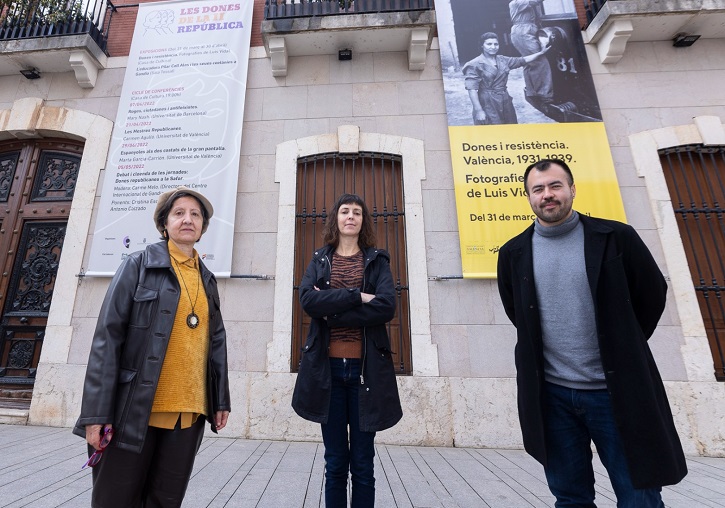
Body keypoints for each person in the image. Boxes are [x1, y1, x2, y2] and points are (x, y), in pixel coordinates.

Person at [497, 159, 687, 506]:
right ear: (528, 197)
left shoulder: (615, 237)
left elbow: (651, 293)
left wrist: (622, 343)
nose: (547, 195)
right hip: (552, 396)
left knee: (638, 494)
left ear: (572, 189)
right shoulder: (513, 252)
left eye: (555, 186)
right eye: (538, 189)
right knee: (570, 496)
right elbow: (518, 313)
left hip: (615, 393)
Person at [73, 186, 231, 508]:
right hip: (132, 411)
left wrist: (220, 399)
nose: (188, 219)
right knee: (115, 501)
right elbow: (107, 339)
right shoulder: (137, 265)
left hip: (187, 417)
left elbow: (215, 342)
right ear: (164, 224)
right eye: (179, 213)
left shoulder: (208, 280)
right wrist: (96, 414)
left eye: (195, 214)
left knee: (164, 502)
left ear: (202, 227)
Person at [292, 193, 403, 508]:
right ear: (336, 219)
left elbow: (385, 307)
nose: (351, 216)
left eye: (357, 212)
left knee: (364, 465)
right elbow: (307, 301)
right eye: (345, 211)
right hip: (329, 372)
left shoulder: (377, 260)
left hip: (365, 373)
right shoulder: (320, 259)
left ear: (363, 220)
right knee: (336, 461)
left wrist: (332, 306)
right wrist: (358, 296)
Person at [463, 32, 550, 125]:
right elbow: (472, 89)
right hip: (487, 102)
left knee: (510, 126)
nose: (493, 47)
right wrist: (479, 110)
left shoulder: (503, 60)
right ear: (482, 46)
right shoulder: (473, 64)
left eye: (496, 44)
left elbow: (522, 60)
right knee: (492, 130)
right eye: (489, 44)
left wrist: (541, 53)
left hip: (505, 100)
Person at [509, 0, 554, 112]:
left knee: (529, 62)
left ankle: (533, 92)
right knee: (540, 62)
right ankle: (545, 96)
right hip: (523, 31)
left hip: (527, 30)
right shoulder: (516, 2)